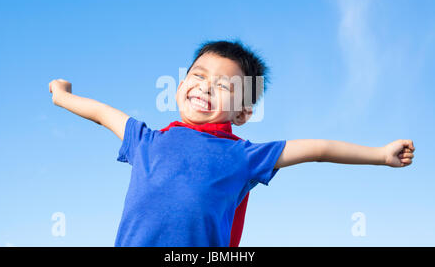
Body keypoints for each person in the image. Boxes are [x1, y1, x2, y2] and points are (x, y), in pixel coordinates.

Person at [48, 40, 415, 247]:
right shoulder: (146, 140)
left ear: (242, 113)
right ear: (179, 87)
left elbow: (317, 150)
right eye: (197, 75)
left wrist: (380, 155)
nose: (205, 87)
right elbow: (101, 112)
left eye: (223, 86)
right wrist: (63, 96)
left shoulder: (244, 155)